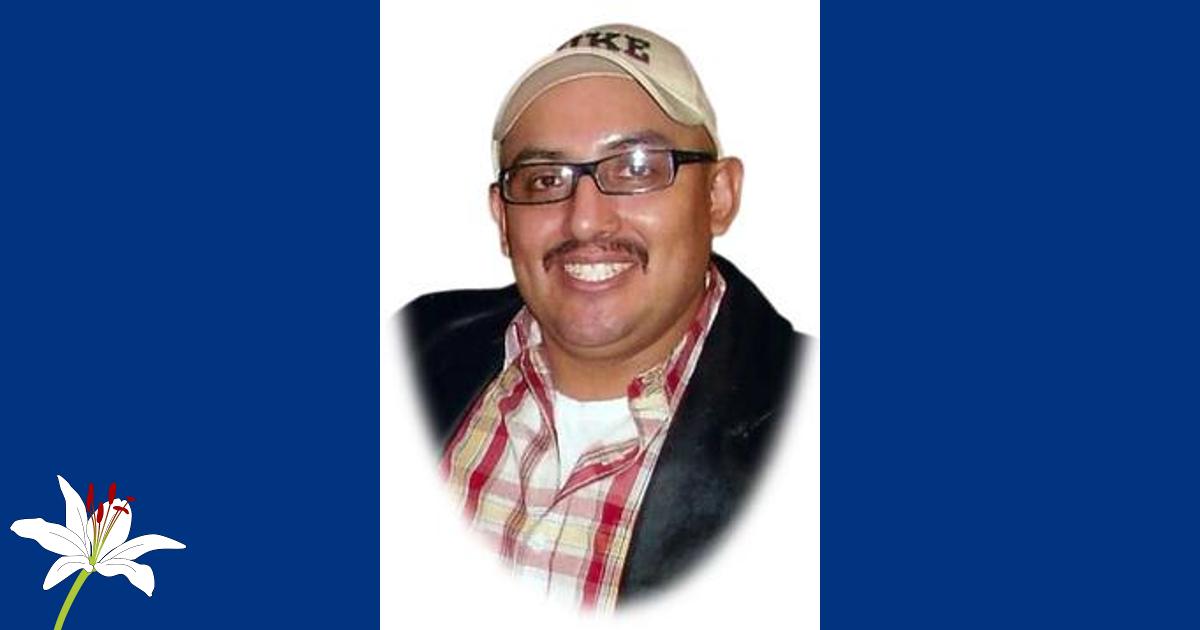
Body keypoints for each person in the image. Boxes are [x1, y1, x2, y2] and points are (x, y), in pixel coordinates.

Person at [400, 23, 807, 611]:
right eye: (545, 179)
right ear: (502, 218)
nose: (585, 220)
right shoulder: (411, 350)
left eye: (636, 168)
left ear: (718, 196)